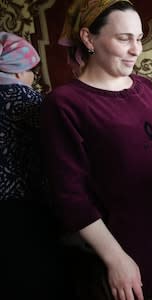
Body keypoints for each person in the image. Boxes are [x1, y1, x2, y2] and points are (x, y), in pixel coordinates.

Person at [39, 1, 152, 299]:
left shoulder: (146, 87)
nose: (136, 50)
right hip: (130, 243)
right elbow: (70, 197)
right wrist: (116, 258)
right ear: (89, 39)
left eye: (138, 38)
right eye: (123, 38)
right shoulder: (65, 104)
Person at [0, 31, 65, 299]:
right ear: (16, 72)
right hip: (25, 206)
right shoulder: (27, 100)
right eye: (30, 72)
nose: (33, 78)